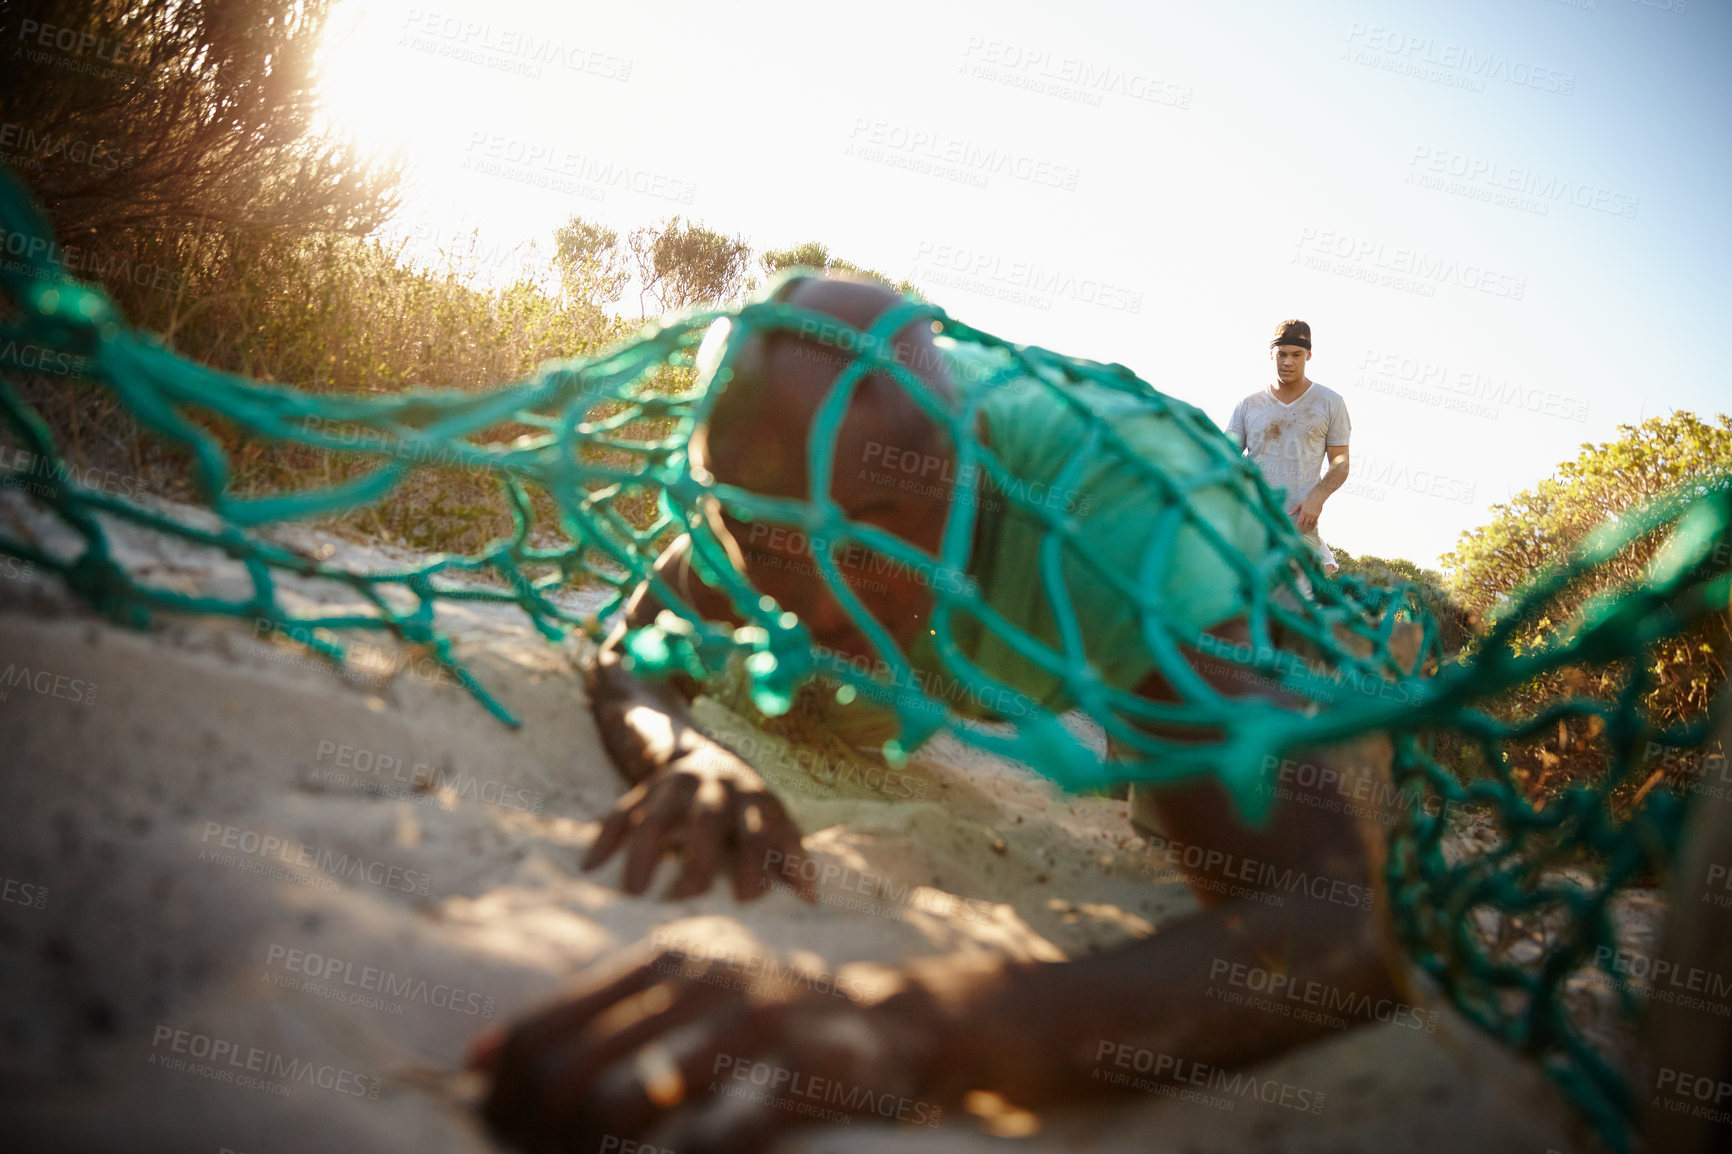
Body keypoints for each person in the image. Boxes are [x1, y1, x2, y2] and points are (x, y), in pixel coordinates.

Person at [471, 276, 1408, 1153]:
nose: (817, 609)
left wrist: (893, 1024)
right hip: (992, 612)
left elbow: (1336, 938)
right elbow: (628, 656)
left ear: (959, 479)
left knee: (1208, 798)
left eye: (869, 544)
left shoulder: (1110, 515)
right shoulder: (785, 470)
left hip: (1215, 575)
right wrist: (686, 758)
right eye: (765, 548)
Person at [1226, 320, 1350, 576]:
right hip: (1252, 522)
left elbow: (1341, 463)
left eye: (1296, 355)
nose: (1287, 362)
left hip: (1300, 527)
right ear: (1272, 354)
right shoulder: (1248, 405)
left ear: (1308, 355)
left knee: (1300, 605)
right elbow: (1224, 459)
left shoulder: (1330, 402)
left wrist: (1317, 498)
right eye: (1281, 354)